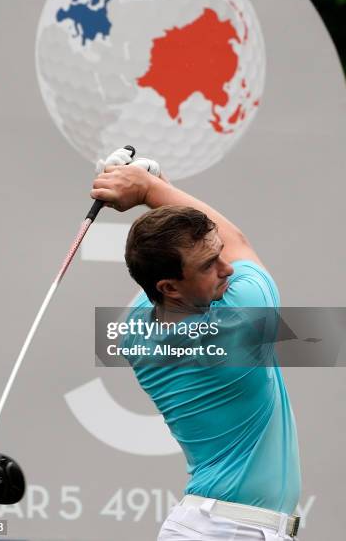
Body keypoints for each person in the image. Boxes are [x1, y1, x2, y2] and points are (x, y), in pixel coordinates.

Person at [91, 152, 301, 541]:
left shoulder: (135, 327)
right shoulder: (241, 317)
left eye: (217, 255)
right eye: (209, 265)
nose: (227, 268)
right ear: (169, 287)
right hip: (231, 529)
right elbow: (237, 241)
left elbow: (174, 243)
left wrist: (150, 187)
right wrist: (148, 188)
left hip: (211, 524)